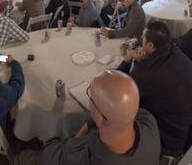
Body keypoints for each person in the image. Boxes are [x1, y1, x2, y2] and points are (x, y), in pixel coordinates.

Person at [17, 69, 160, 165]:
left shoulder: (79, 157)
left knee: (23, 156)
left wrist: (73, 141)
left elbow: (49, 152)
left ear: (99, 117)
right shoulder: (149, 122)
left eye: (90, 95)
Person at [118, 21, 192, 156]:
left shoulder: (146, 72)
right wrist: (145, 60)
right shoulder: (174, 50)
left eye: (143, 38)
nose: (141, 40)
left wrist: (128, 59)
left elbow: (120, 88)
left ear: (151, 45)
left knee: (124, 115)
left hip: (175, 138)